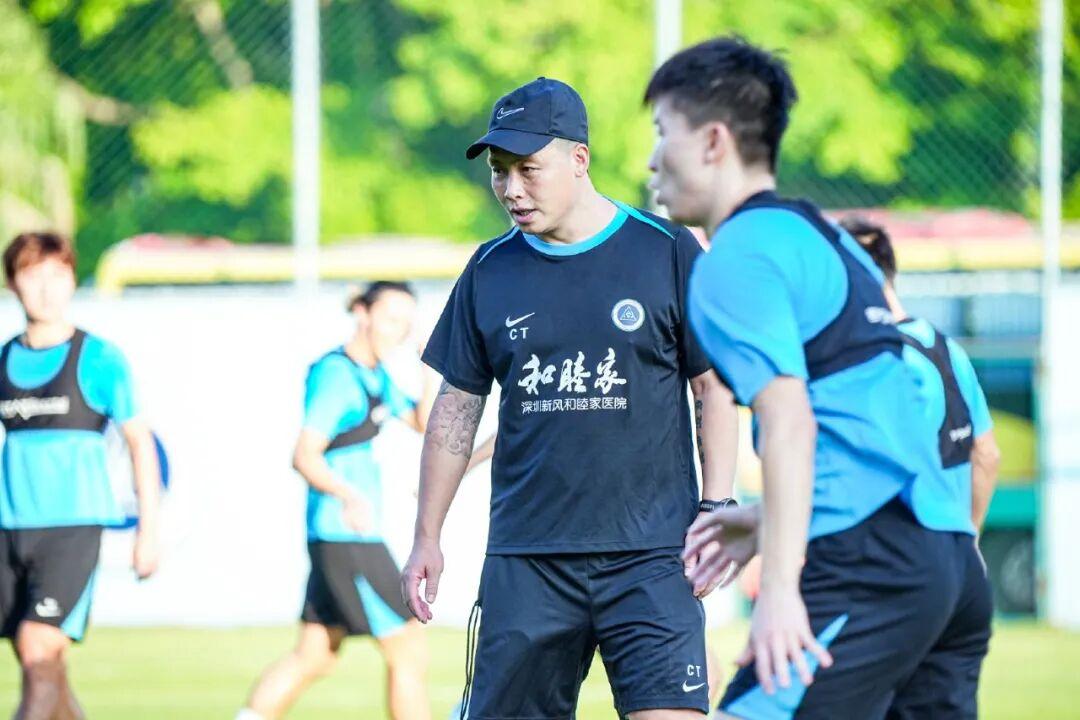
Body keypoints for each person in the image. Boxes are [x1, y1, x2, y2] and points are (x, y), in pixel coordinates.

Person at [645, 36, 992, 719]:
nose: (653, 158)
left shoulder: (736, 257)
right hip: (950, 559)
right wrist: (767, 519)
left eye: (663, 132)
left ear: (713, 141)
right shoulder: (824, 238)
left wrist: (778, 591)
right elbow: (882, 416)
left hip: (871, 563)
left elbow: (791, 421)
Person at [401, 77, 739, 719]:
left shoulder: (667, 250)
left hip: (651, 556)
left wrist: (717, 505)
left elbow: (712, 386)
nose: (511, 189)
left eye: (528, 169)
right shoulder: (489, 269)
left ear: (579, 158)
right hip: (528, 561)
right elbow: (456, 408)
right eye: (499, 171)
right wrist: (426, 536)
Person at [238, 281, 436, 720]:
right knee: (408, 649)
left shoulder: (376, 375)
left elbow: (423, 423)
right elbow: (304, 455)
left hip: (339, 537)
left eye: (406, 322)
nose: (399, 331)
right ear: (362, 314)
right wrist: (348, 495)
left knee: (315, 656)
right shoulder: (336, 375)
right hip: (347, 536)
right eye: (391, 319)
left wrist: (427, 370)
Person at [0, 231, 161, 720]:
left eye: (58, 274)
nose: (46, 288)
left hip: (72, 528)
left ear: (72, 281)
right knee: (40, 664)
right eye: (32, 275)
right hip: (11, 528)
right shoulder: (5, 359)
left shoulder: (98, 358)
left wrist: (149, 532)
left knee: (38, 646)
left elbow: (139, 443)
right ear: (13, 284)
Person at [840, 216, 1001, 534]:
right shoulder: (947, 348)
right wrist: (969, 536)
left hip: (897, 546)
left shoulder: (876, 360)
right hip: (951, 543)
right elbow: (987, 454)